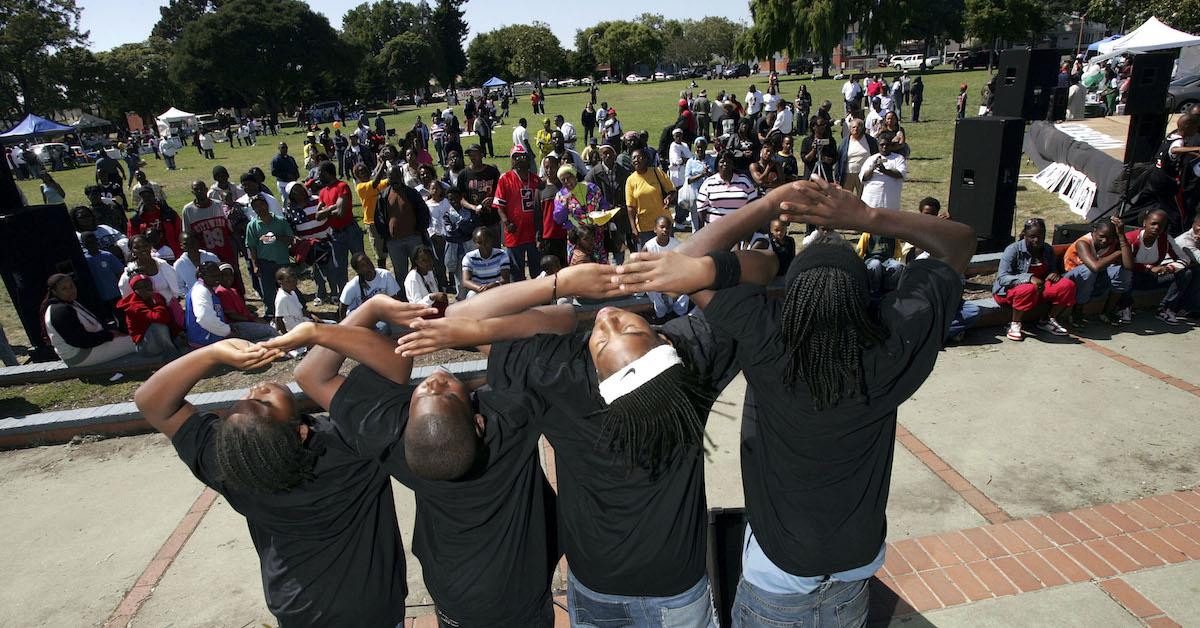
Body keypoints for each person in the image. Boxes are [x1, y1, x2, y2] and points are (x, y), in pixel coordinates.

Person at [608, 177, 977, 628]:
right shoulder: (894, 345)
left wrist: (768, 204)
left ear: (793, 300)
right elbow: (960, 243)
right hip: (856, 565)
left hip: (778, 572)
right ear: (864, 301)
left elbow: (682, 261)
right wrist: (867, 218)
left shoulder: (768, 340)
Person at [395, 262, 747, 628]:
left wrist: (557, 283)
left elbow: (462, 314)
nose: (608, 318)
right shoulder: (692, 367)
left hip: (596, 581)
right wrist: (680, 268)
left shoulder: (561, 378)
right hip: (674, 586)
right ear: (665, 342)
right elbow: (734, 285)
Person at [260, 296, 558, 627]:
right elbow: (555, 325)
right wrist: (467, 330)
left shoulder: (395, 442)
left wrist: (342, 321)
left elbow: (312, 374)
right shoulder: (509, 424)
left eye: (425, 394)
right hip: (523, 598)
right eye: (443, 392)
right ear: (479, 424)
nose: (433, 381)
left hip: (454, 599)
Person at [132, 336, 408, 627]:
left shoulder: (231, 465)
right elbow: (392, 370)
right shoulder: (350, 449)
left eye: (246, 398)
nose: (256, 388)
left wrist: (212, 354)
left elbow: (151, 401)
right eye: (263, 402)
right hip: (372, 606)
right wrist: (319, 332)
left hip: (296, 607)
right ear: (300, 433)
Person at [994, 218, 1077, 340]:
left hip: (1038, 289)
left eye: (1040, 236)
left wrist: (1053, 274)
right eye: (1032, 236)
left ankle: (1048, 320)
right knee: (1028, 288)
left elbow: (1052, 269)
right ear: (1024, 235)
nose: (1036, 240)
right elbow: (1002, 278)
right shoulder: (1013, 250)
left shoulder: (1047, 249)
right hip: (1008, 292)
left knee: (1067, 285)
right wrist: (1029, 278)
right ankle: (1014, 324)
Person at [1119, 208, 1197, 325]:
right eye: (1153, 223)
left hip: (1152, 278)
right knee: (1126, 272)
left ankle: (1165, 309)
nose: (1156, 228)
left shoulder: (1165, 239)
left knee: (1186, 273)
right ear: (1145, 223)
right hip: (1132, 278)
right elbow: (1125, 263)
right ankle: (1124, 307)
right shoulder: (1132, 238)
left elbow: (1184, 258)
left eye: (1161, 225)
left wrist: (1169, 268)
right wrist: (1149, 268)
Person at [43, 274, 136, 366]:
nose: (70, 290)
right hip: (79, 355)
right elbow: (80, 340)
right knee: (137, 341)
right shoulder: (59, 311)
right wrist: (110, 335)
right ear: (54, 292)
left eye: (71, 286)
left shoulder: (70, 303)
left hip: (87, 348)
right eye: (64, 288)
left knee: (133, 337)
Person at [284, 181, 341, 306]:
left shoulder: (316, 200)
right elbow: (292, 227)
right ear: (290, 195)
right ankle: (321, 294)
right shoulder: (291, 210)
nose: (298, 192)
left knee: (330, 269)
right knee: (316, 272)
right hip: (309, 246)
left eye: (300, 188)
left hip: (325, 241)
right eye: (294, 191)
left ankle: (334, 294)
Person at [183, 180, 242, 294]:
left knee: (233, 279)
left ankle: (240, 302)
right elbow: (188, 236)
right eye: (196, 190)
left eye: (202, 189)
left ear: (207, 189)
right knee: (212, 285)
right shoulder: (188, 210)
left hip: (225, 251)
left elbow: (230, 229)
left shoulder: (218, 205)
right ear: (192, 192)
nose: (200, 192)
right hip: (206, 255)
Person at [493, 145, 542, 280]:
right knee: (516, 270)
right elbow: (499, 206)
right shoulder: (505, 179)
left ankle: (539, 297)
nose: (520, 159)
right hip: (515, 232)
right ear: (512, 160)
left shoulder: (535, 179)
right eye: (516, 157)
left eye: (523, 156)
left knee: (537, 269)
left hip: (533, 231)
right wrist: (507, 223)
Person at [374, 165, 430, 279]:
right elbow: (378, 218)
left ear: (401, 176)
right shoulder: (383, 196)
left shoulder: (412, 193)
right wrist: (386, 236)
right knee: (400, 272)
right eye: (391, 177)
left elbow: (423, 212)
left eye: (396, 176)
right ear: (387, 178)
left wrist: (419, 230)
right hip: (394, 242)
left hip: (414, 239)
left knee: (419, 268)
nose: (394, 179)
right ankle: (403, 296)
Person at [244, 195, 295, 320]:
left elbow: (290, 239)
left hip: (282, 261)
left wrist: (277, 237)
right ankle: (272, 315)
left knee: (288, 287)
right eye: (256, 207)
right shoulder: (252, 226)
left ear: (266, 205)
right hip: (264, 263)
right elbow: (251, 247)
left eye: (261, 205)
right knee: (268, 292)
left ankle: (293, 310)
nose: (259, 208)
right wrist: (255, 265)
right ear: (253, 209)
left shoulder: (280, 221)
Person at [317, 161, 365, 292]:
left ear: (327, 173)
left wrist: (326, 210)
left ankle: (366, 288)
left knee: (361, 261)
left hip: (351, 231)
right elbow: (318, 216)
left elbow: (341, 213)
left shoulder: (342, 186)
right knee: (340, 267)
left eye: (319, 173)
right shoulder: (322, 192)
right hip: (336, 234)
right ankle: (346, 295)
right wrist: (332, 207)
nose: (318, 177)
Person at [118, 234, 183, 326]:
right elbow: (128, 299)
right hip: (151, 316)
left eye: (145, 246)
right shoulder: (128, 275)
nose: (142, 249)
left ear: (150, 246)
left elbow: (176, 288)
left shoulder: (163, 265)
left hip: (171, 309)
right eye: (137, 247)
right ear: (132, 251)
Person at [116, 273, 184, 360]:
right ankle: (173, 357)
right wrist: (157, 302)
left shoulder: (156, 296)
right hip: (145, 346)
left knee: (180, 338)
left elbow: (168, 318)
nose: (145, 289)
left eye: (147, 286)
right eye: (140, 287)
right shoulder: (133, 306)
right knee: (158, 325)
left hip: (158, 339)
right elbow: (159, 318)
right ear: (134, 289)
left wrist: (177, 331)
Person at [554, 165, 609, 264]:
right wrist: (564, 205)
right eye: (563, 180)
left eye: (569, 177)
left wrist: (603, 213)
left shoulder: (591, 188)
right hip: (578, 238)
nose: (567, 181)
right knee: (581, 264)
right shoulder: (561, 195)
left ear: (575, 176)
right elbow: (558, 218)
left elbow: (603, 204)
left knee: (600, 263)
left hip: (595, 234)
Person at [642, 216, 690, 323]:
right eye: (662, 227)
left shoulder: (676, 244)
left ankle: (679, 312)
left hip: (672, 276)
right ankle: (661, 315)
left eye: (668, 227)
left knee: (687, 287)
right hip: (654, 278)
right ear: (655, 229)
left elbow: (682, 264)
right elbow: (642, 267)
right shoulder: (648, 247)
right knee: (653, 290)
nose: (665, 230)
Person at [625, 148, 677, 246]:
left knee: (667, 254)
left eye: (639, 157)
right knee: (647, 257)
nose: (636, 160)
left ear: (645, 159)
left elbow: (672, 191)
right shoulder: (630, 180)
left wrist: (669, 198)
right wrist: (633, 228)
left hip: (663, 224)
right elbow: (630, 207)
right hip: (644, 227)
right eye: (633, 158)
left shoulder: (657, 172)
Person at [696, 150, 758, 231]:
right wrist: (701, 232)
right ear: (717, 165)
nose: (725, 164)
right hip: (714, 232)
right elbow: (701, 209)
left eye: (728, 162)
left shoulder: (744, 181)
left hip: (739, 231)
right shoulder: (709, 183)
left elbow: (753, 205)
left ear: (733, 165)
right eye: (722, 162)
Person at [339, 253, 402, 322]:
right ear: (358, 270)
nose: (368, 265)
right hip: (358, 318)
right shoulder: (352, 285)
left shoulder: (385, 275)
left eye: (368, 261)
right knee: (382, 327)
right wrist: (345, 328)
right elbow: (343, 308)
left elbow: (394, 299)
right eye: (363, 265)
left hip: (380, 314)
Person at [81, 232, 124, 322]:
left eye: (93, 241)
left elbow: (120, 273)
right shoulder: (84, 260)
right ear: (84, 244)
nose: (92, 245)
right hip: (99, 298)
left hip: (115, 295)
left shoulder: (107, 256)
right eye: (88, 243)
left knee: (122, 318)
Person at [129, 187, 183, 258]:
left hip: (173, 252)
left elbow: (179, 232)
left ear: (154, 197)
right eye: (144, 197)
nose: (147, 199)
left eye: (149, 196)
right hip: (149, 254)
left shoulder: (168, 214)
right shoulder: (137, 219)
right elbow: (132, 238)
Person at [859, 137, 907, 211]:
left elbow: (900, 174)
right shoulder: (871, 159)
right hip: (871, 201)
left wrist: (884, 171)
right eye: (882, 145)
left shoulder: (898, 158)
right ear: (878, 146)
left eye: (887, 145)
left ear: (891, 146)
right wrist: (872, 168)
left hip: (889, 202)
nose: (884, 147)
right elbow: (864, 177)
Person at [461, 227, 511, 297]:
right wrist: (480, 288)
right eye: (479, 242)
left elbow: (505, 280)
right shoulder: (469, 257)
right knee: (471, 295)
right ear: (475, 243)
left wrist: (493, 286)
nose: (483, 245)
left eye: (486, 242)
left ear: (491, 240)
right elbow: (465, 281)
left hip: (497, 288)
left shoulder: (502, 255)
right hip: (478, 290)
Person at [856, 231, 906, 298]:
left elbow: (896, 255)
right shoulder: (867, 234)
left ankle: (889, 290)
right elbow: (858, 253)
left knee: (898, 265)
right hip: (871, 259)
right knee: (876, 264)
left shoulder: (893, 236)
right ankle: (874, 290)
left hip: (887, 260)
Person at [838, 118, 878, 198]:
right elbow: (839, 159)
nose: (856, 129)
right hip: (848, 173)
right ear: (850, 129)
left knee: (863, 198)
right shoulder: (845, 142)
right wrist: (837, 175)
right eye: (853, 127)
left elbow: (876, 155)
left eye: (858, 127)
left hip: (865, 174)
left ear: (862, 128)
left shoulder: (870, 141)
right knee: (846, 198)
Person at [403, 246, 450, 312]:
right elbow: (416, 305)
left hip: (433, 308)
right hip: (422, 313)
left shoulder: (430, 271)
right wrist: (431, 297)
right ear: (417, 262)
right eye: (424, 260)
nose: (429, 262)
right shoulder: (413, 278)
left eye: (430, 259)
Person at [800, 116, 839, 181]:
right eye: (820, 125)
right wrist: (814, 149)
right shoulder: (807, 141)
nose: (823, 127)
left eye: (824, 124)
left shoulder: (830, 140)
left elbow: (835, 157)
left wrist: (827, 159)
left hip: (825, 175)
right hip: (811, 175)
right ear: (813, 127)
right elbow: (805, 159)